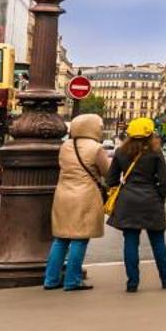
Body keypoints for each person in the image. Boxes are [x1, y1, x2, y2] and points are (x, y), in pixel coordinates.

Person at [107, 117, 166, 292]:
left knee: (130, 242)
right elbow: (164, 181)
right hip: (151, 199)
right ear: (150, 134)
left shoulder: (121, 152)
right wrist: (159, 198)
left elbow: (111, 179)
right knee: (158, 241)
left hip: (128, 200)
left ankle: (132, 283)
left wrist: (123, 191)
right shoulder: (155, 152)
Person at [45, 113, 108, 291]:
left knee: (60, 239)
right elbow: (107, 172)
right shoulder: (96, 148)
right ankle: (72, 280)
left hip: (63, 194)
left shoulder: (65, 146)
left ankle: (50, 279)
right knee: (80, 239)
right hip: (85, 195)